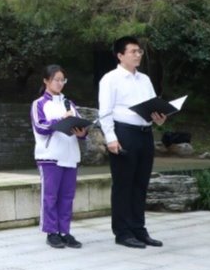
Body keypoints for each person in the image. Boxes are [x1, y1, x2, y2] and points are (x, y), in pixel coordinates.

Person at [98, 36, 167, 249]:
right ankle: (122, 232)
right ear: (120, 55)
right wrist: (111, 138)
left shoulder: (144, 79)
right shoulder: (110, 79)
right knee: (123, 184)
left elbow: (153, 106)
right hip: (124, 133)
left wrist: (159, 117)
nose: (138, 55)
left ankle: (138, 228)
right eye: (133, 51)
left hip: (145, 133)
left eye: (140, 51)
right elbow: (105, 111)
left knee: (140, 184)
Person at [31, 65, 88, 249]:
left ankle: (65, 231)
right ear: (46, 81)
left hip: (70, 156)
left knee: (67, 197)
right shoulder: (39, 104)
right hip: (50, 157)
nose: (60, 83)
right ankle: (51, 232)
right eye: (56, 79)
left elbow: (81, 129)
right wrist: (61, 120)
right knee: (50, 196)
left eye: (63, 80)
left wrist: (82, 131)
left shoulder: (69, 103)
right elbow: (40, 126)